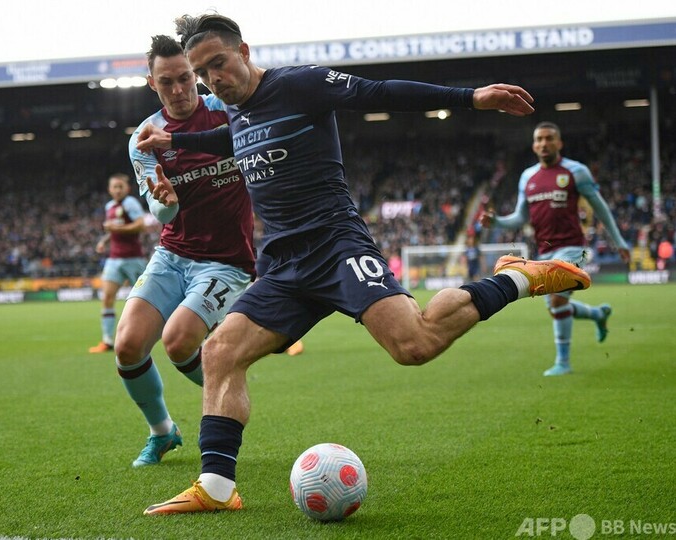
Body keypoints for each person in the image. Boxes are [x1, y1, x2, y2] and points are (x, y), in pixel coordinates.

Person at [136, 13, 591, 514]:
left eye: (218, 64)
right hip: (284, 264)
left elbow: (381, 92)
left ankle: (514, 278)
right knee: (220, 352)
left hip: (336, 246)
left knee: (414, 344)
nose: (212, 80)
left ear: (244, 51)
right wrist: (175, 141)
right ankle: (217, 487)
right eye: (203, 73)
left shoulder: (300, 85)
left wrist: (470, 97)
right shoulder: (235, 111)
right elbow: (234, 139)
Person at [114, 35, 256, 466]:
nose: (178, 89)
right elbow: (159, 210)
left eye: (184, 78)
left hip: (226, 261)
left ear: (195, 74)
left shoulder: (227, 111)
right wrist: (166, 202)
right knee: (127, 345)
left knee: (177, 342)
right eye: (166, 82)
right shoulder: (145, 136)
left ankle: (226, 385)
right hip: (173, 255)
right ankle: (163, 432)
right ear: (151, 83)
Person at [481, 121, 630, 376]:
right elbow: (520, 217)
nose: (544, 143)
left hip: (573, 248)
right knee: (555, 305)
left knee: (558, 300)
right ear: (533, 146)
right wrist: (497, 222)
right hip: (545, 251)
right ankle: (597, 314)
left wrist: (619, 241)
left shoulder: (576, 171)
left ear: (559, 143)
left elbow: (601, 208)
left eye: (549, 138)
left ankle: (563, 362)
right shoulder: (527, 177)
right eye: (539, 139)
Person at [88, 173, 149, 353]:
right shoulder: (110, 206)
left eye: (120, 186)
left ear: (127, 189)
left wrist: (116, 228)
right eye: (114, 187)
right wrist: (104, 240)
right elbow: (114, 230)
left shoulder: (130, 203)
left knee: (146, 299)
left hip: (133, 258)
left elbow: (140, 225)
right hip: (114, 258)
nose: (117, 190)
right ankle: (107, 340)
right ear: (109, 189)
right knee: (107, 298)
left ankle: (154, 333)